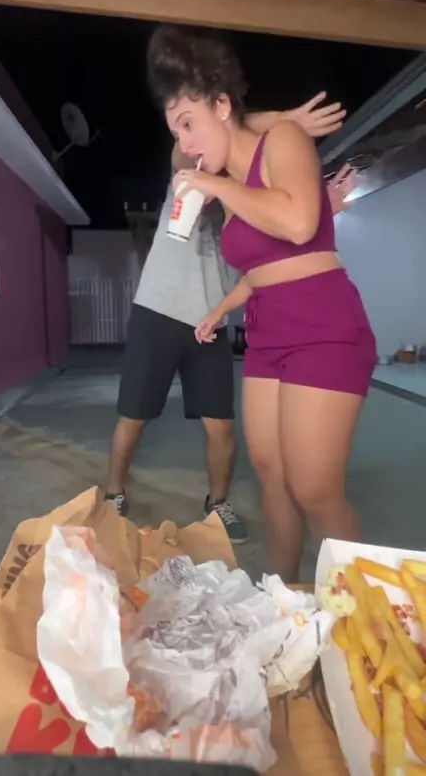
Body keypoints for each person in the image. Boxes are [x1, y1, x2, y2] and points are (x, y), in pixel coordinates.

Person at [147, 24, 376, 579]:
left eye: (189, 124)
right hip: (267, 332)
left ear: (223, 104)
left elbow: (297, 224)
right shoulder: (227, 178)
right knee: (271, 474)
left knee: (314, 488)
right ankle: (286, 592)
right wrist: (220, 309)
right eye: (176, 130)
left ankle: (373, 612)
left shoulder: (284, 143)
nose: (185, 144)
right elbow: (261, 269)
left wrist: (225, 179)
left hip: (324, 326)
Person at [105, 66, 349, 546]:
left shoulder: (247, 199)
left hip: (210, 320)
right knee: (134, 415)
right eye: (183, 129)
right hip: (157, 311)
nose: (188, 140)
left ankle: (218, 503)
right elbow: (211, 126)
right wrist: (285, 119)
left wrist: (324, 208)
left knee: (221, 427)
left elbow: (287, 234)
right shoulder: (188, 173)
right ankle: (113, 491)